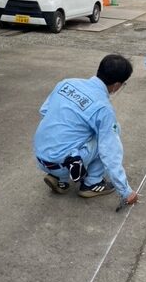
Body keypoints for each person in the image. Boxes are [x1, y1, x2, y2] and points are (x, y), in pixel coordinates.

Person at [33, 54, 138, 206]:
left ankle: (60, 179)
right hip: (63, 162)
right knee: (109, 134)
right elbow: (110, 153)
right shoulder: (104, 109)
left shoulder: (66, 83)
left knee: (72, 132)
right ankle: (92, 183)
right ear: (116, 85)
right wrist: (126, 191)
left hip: (40, 156)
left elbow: (44, 111)